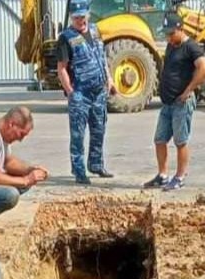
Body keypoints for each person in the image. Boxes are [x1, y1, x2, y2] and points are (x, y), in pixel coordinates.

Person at [142, 13, 205, 192]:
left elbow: (204, 70)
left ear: (181, 29)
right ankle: (162, 175)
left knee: (180, 141)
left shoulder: (191, 47)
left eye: (171, 34)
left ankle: (179, 177)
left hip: (181, 102)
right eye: (166, 34)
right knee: (159, 139)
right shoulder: (172, 46)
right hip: (168, 103)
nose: (169, 38)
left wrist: (188, 91)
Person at [56, 0, 115, 185]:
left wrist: (110, 79)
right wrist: (71, 92)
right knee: (78, 134)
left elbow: (102, 57)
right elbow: (62, 68)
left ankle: (96, 164)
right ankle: (79, 170)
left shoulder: (96, 30)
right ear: (72, 18)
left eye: (82, 17)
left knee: (99, 129)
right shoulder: (66, 38)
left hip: (99, 92)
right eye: (76, 18)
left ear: (88, 14)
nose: (80, 21)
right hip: (80, 93)